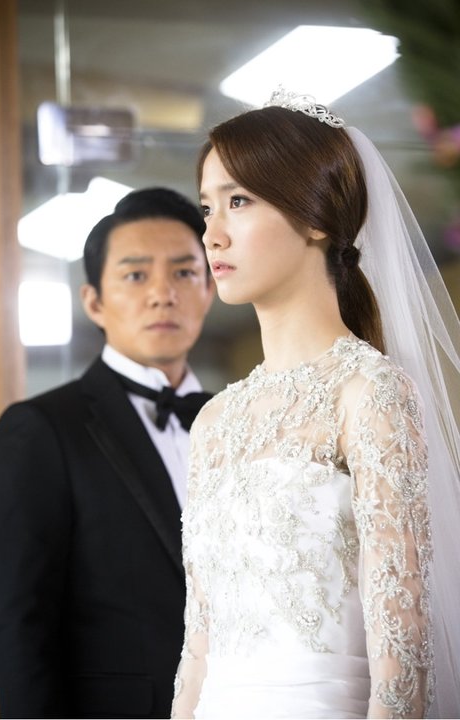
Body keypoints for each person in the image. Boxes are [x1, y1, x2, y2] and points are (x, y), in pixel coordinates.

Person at [171, 90, 460, 719]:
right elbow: (199, 645)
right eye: (206, 207)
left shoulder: (370, 392)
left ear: (316, 218)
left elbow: (403, 648)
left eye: (238, 202)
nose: (211, 234)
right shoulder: (215, 422)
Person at [0, 186, 215, 719]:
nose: (163, 294)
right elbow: (21, 625)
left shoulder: (241, 419)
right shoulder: (40, 429)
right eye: (135, 276)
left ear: (209, 288)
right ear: (93, 301)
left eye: (184, 272)